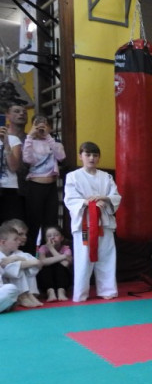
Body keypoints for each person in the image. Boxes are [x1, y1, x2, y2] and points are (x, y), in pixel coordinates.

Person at [64, 141, 122, 302]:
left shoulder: (106, 177)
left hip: (104, 223)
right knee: (83, 259)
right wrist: (90, 203)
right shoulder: (73, 176)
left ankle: (108, 290)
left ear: (99, 158)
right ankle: (81, 293)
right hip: (85, 223)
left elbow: (115, 196)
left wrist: (104, 198)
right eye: (88, 155)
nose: (91, 158)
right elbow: (70, 199)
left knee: (106, 256)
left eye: (95, 155)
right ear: (80, 156)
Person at [22, 114, 66, 254]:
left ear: (50, 127)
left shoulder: (54, 142)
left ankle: (48, 255)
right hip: (35, 186)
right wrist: (30, 136)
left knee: (50, 223)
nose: (41, 127)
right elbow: (27, 159)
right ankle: (29, 255)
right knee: (33, 223)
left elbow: (61, 157)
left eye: (45, 124)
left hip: (51, 187)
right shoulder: (30, 142)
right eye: (37, 124)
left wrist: (48, 136)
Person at [0, 222, 42, 307]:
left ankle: (28, 294)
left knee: (22, 266)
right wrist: (20, 262)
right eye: (15, 239)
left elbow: (37, 263)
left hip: (15, 289)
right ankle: (23, 296)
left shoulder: (17, 253)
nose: (19, 240)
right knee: (17, 267)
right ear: (3, 242)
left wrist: (17, 259)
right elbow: (7, 269)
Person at [0, 103, 27, 225]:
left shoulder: (13, 140)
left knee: (12, 226)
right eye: (16, 111)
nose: (21, 114)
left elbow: (14, 167)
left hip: (10, 188)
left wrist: (6, 143)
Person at [36, 225, 72, 302]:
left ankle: (61, 292)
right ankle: (50, 292)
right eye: (49, 236)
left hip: (63, 280)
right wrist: (63, 256)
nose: (52, 237)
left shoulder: (66, 249)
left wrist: (51, 249)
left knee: (60, 267)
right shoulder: (43, 248)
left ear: (62, 238)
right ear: (45, 239)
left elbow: (65, 264)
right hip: (47, 281)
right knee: (46, 267)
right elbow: (42, 262)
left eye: (56, 235)